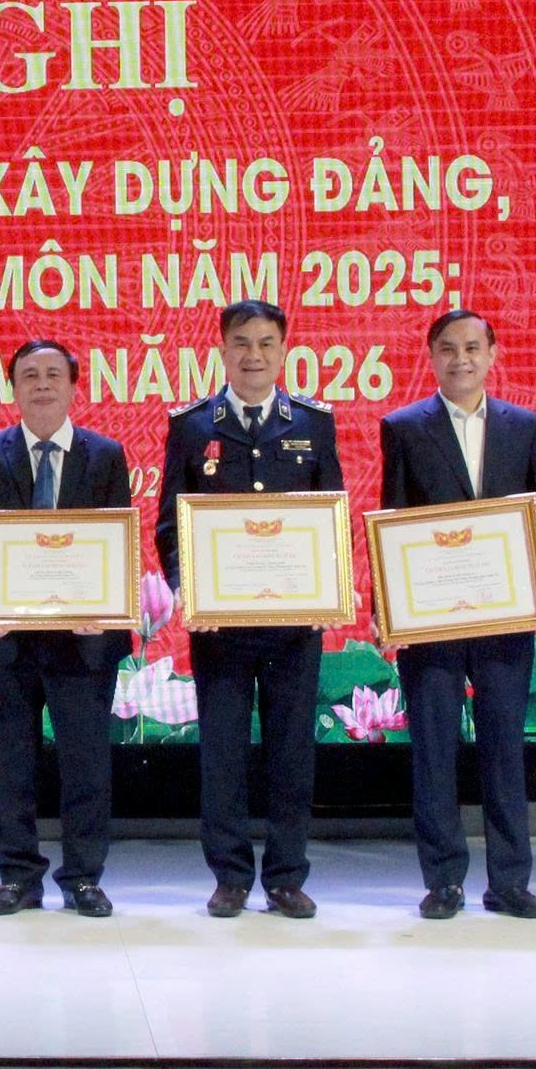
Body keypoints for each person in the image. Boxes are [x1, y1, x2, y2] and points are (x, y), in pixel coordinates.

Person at [378, 308, 536, 921]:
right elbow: (393, 522)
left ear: (492, 354)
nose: (460, 359)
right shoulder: (403, 427)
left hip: (506, 617)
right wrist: (390, 606)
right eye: (447, 348)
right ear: (431, 357)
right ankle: (443, 881)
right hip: (431, 621)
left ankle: (509, 881)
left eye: (471, 347)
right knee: (433, 752)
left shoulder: (524, 426)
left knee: (504, 751)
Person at [155, 299, 341, 919]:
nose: (253, 356)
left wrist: (330, 587)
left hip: (294, 624)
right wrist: (185, 588)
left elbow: (330, 514)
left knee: (292, 753)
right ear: (222, 350)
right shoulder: (192, 427)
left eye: (265, 344)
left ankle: (286, 876)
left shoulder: (313, 423)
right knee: (223, 753)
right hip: (220, 625)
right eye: (241, 343)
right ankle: (230, 876)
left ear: (284, 351)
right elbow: (170, 525)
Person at [0, 339, 130, 918]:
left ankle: (83, 878)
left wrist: (104, 605)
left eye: (54, 374)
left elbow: (117, 540)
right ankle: (17, 877)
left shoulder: (105, 455)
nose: (42, 385)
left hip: (84, 641)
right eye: (29, 375)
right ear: (13, 388)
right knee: (11, 764)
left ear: (74, 387)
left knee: (87, 764)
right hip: (8, 639)